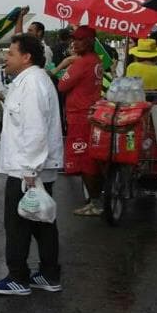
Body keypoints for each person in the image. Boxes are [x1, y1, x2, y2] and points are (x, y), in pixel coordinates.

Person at [0, 35, 64, 296]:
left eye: (10, 54)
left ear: (26, 57)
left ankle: (18, 276)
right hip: (33, 167)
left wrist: (30, 172)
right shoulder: (31, 81)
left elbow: (34, 130)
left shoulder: (32, 84)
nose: (5, 58)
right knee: (42, 220)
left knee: (17, 223)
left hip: (28, 169)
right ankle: (49, 273)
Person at [57, 25, 104, 216]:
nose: (74, 43)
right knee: (91, 158)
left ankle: (95, 202)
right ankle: (96, 199)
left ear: (90, 41)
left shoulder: (82, 63)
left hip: (80, 117)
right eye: (73, 39)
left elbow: (61, 85)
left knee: (84, 161)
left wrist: (68, 64)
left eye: (79, 39)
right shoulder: (96, 60)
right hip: (92, 113)